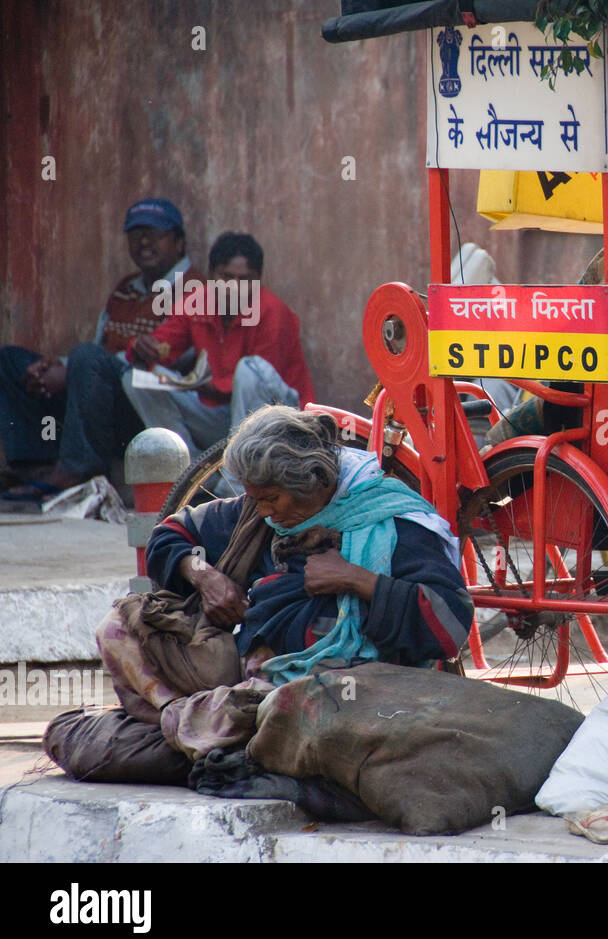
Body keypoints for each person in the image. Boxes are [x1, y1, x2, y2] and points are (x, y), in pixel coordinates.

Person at [89, 405, 472, 760]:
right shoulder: (259, 513)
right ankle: (192, 721)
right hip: (242, 676)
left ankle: (200, 726)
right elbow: (168, 536)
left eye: (271, 499)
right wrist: (204, 576)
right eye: (254, 499)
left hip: (343, 687)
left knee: (289, 710)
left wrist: (356, 579)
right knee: (118, 628)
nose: (262, 511)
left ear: (314, 484)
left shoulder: (392, 521)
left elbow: (450, 623)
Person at [0, 198, 201, 501]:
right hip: (98, 390)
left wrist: (71, 371)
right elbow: (99, 348)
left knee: (85, 359)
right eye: (135, 235)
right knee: (11, 361)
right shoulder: (126, 288)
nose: (144, 242)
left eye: (154, 234)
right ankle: (37, 467)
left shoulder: (196, 289)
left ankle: (77, 468)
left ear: (179, 242)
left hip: (146, 404)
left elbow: (185, 362)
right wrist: (57, 367)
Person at [123, 232, 315, 462]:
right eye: (226, 277)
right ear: (211, 275)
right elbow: (162, 345)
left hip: (277, 423)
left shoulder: (272, 311)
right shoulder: (197, 302)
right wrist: (142, 348)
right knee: (135, 379)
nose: (234, 287)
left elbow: (259, 386)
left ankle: (234, 481)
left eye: (243, 280)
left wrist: (205, 386)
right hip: (219, 418)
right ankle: (186, 471)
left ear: (258, 279)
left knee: (249, 370)